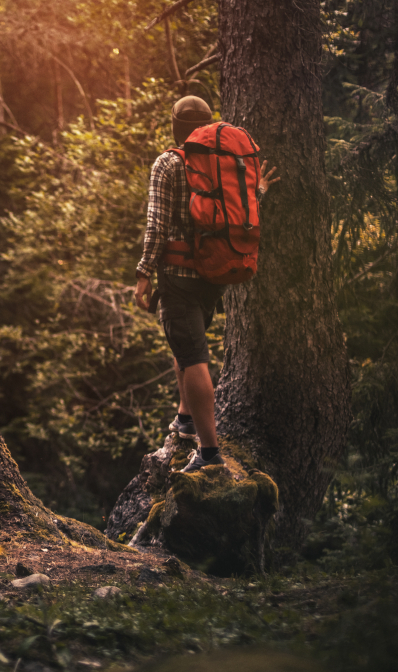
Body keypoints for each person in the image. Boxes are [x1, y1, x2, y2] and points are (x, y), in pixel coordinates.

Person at [134, 95, 280, 472]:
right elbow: (241, 209)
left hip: (178, 276)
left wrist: (143, 274)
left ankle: (210, 454)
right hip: (214, 273)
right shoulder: (223, 163)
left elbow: (157, 226)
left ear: (174, 126)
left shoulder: (168, 164)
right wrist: (259, 189)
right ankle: (185, 419)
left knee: (194, 356)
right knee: (185, 346)